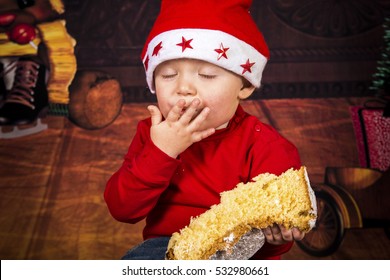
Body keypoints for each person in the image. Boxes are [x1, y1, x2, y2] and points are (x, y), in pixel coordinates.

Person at [104, 0, 305, 260]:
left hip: (240, 253)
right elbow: (122, 210)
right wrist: (162, 151)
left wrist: (278, 238)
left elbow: (272, 246)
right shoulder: (153, 133)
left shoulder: (268, 147)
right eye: (167, 75)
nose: (184, 88)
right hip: (168, 247)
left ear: (244, 86)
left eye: (207, 75)